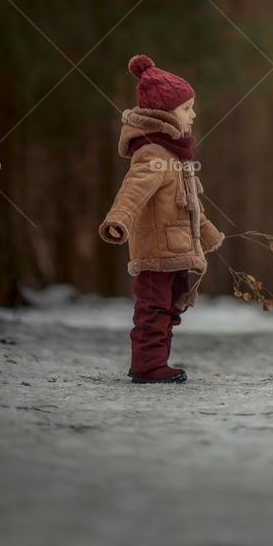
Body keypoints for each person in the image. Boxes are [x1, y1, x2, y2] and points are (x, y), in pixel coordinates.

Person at [99, 54, 225, 383]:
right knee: (153, 310)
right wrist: (119, 220)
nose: (193, 114)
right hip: (157, 252)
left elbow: (190, 204)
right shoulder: (153, 153)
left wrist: (208, 233)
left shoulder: (175, 154)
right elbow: (133, 191)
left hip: (178, 248)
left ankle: (153, 361)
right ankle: (147, 366)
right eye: (187, 108)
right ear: (165, 113)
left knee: (171, 309)